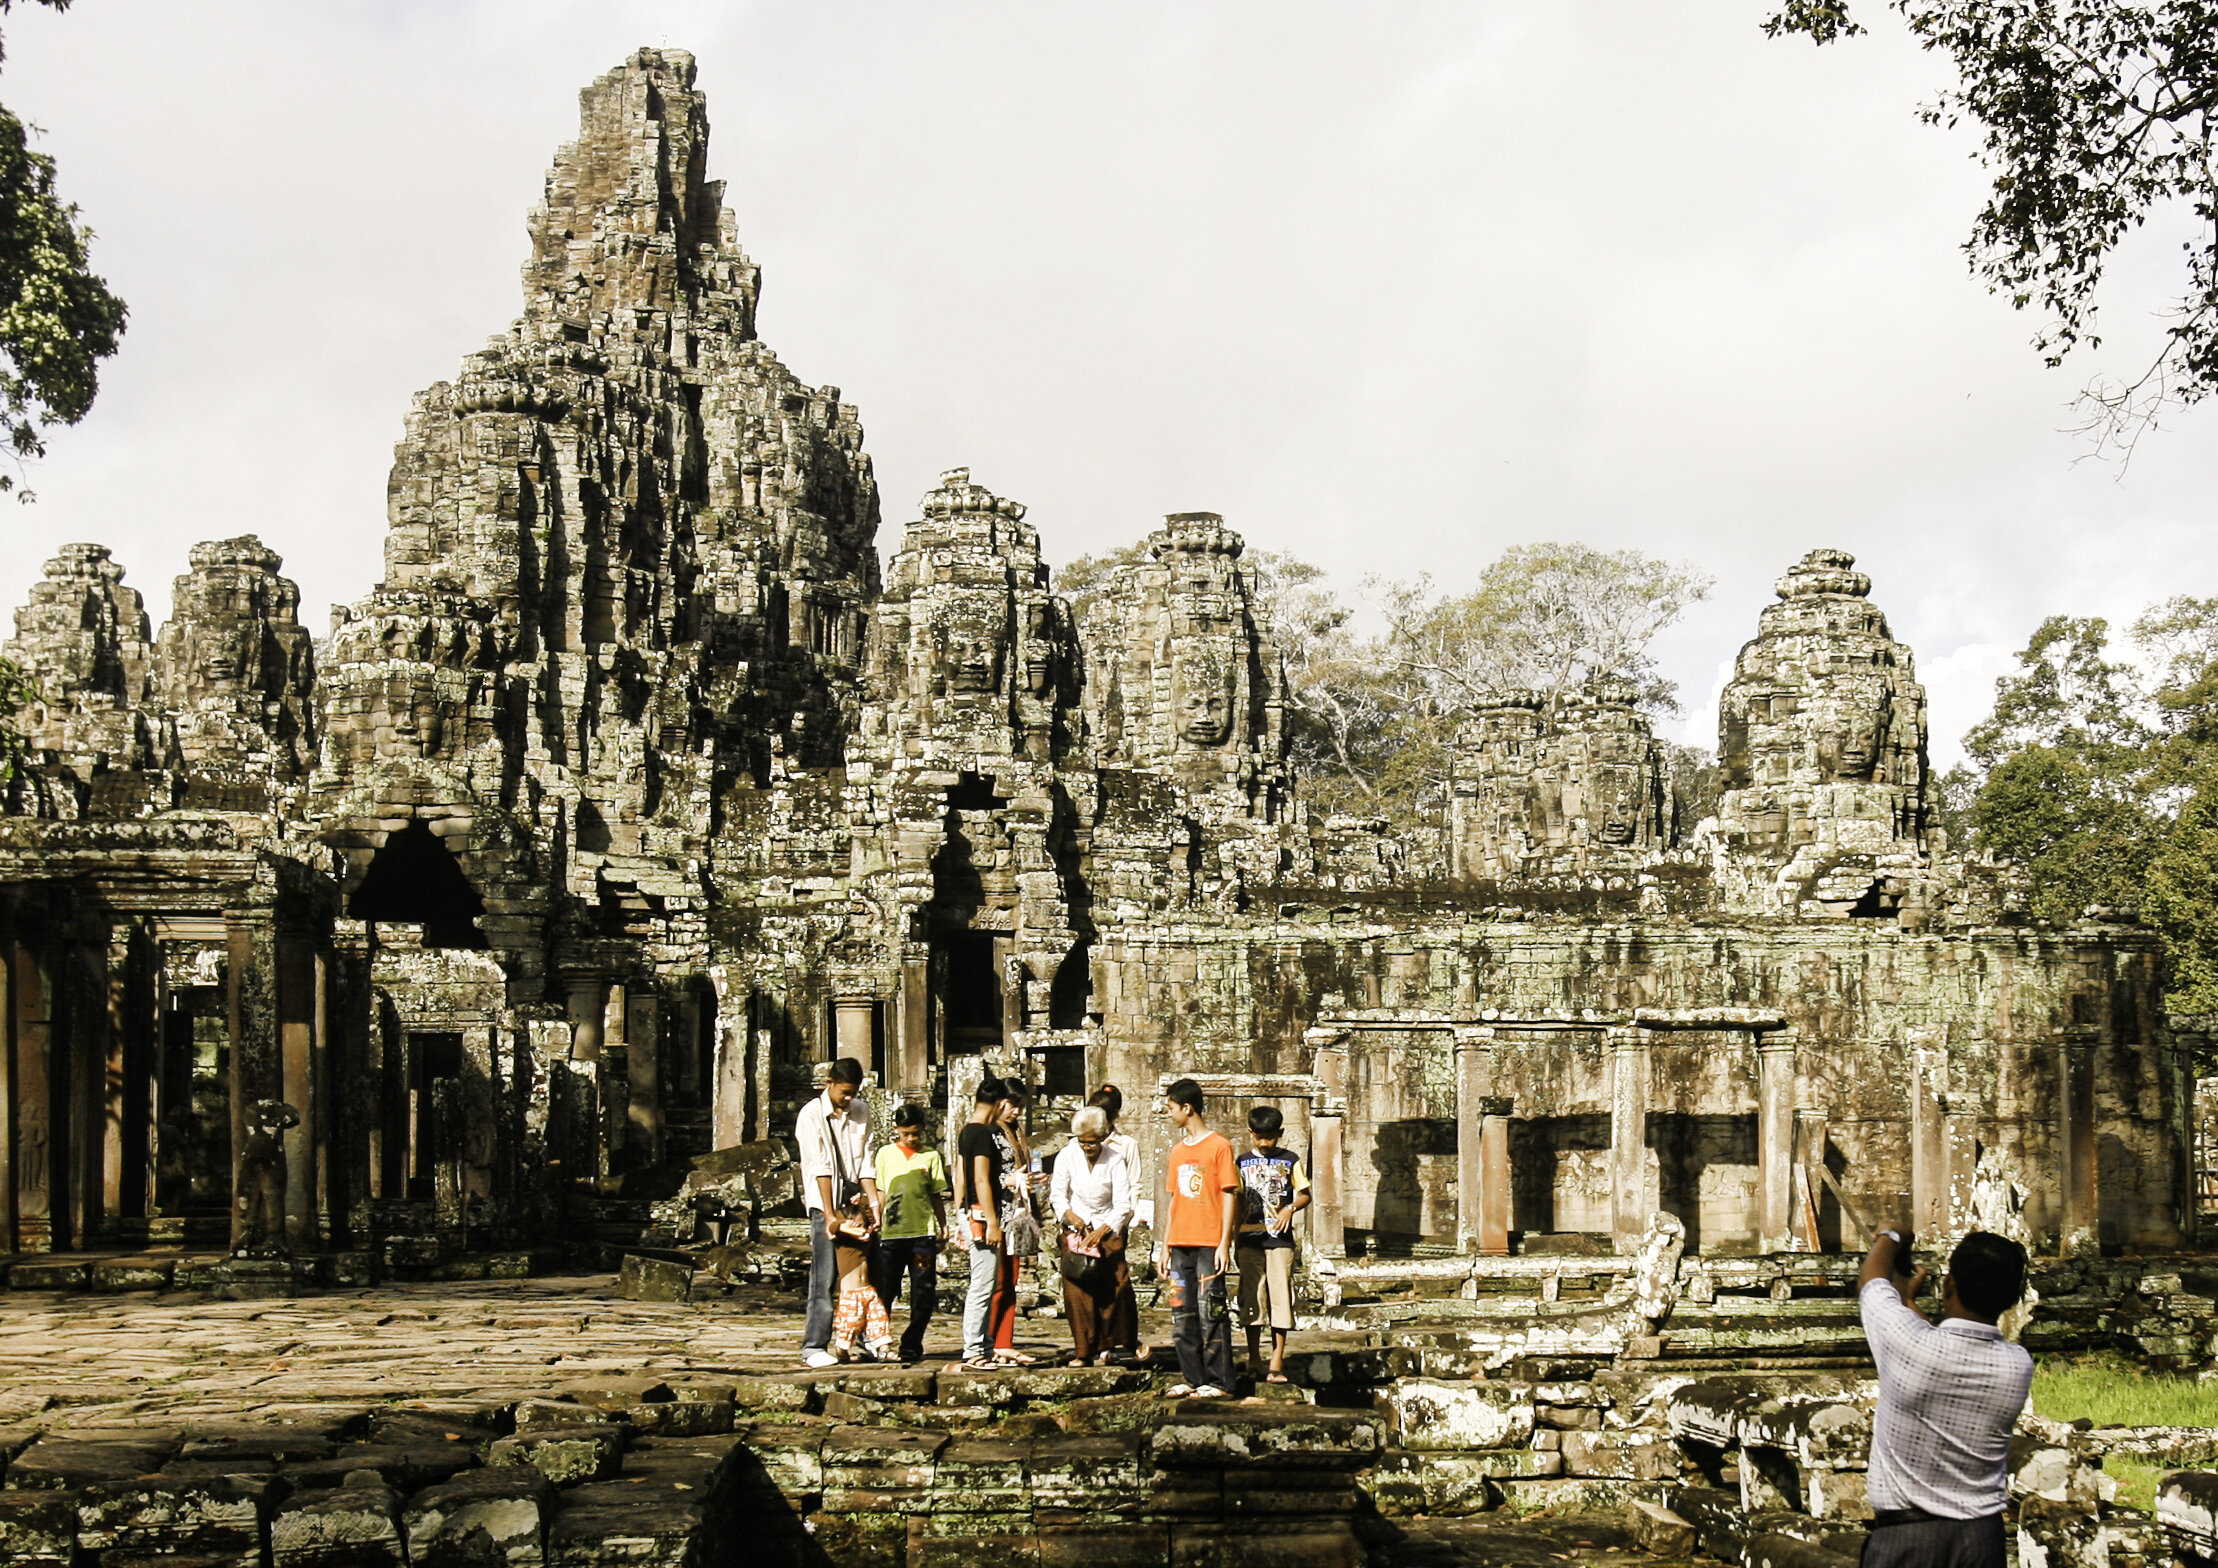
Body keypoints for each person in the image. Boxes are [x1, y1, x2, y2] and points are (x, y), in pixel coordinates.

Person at [1857, 1225, 2033, 1568]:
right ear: (2012, 1299)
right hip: (1982, 1538)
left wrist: (1892, 1235)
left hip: (1907, 1538)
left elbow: (1871, 1282)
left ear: (1949, 1285)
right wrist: (1908, 1303)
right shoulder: (2017, 1365)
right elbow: (1944, 1349)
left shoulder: (1908, 1342)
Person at [1156, 1077, 1239, 1398]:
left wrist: (1224, 1242)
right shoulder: (1177, 1151)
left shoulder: (1220, 1146)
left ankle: (1219, 1382)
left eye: (1170, 1108)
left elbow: (1228, 1195)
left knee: (1212, 1312)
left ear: (1187, 1108)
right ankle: (1194, 1378)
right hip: (1179, 1244)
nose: (1168, 1114)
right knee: (1182, 1314)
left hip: (1208, 1243)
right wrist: (1163, 1246)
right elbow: (1174, 1199)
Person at [794, 1057, 879, 1369]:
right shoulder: (811, 1115)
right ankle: (814, 1345)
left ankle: (858, 1339)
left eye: (852, 1092)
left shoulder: (861, 1111)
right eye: (843, 1092)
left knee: (860, 1275)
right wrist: (829, 1215)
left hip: (855, 1201)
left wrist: (874, 1202)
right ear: (829, 1083)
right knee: (825, 1276)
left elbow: (866, 1160)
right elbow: (821, 1167)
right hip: (824, 1202)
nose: (847, 1098)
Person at [1051, 1104, 1135, 1365]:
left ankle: (1109, 1346)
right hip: (1076, 1230)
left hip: (1106, 1227)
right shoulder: (1066, 1156)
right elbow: (1057, 1194)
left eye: (1093, 1142)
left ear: (1102, 1138)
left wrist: (1103, 1230)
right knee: (1078, 1290)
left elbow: (1123, 1204)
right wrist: (1070, 1216)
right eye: (1083, 1143)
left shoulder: (1114, 1159)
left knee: (1114, 1287)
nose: (1088, 1147)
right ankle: (1083, 1349)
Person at [1235, 1104, 1311, 1384]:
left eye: (1270, 1137)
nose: (1264, 1143)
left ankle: (1276, 1360)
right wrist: (1233, 1237)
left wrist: (1289, 1208)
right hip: (1249, 1237)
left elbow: (1305, 1194)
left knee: (1281, 1298)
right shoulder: (1241, 1162)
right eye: (1259, 1137)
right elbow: (1237, 1202)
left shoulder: (1290, 1160)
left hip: (1280, 1240)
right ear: (1250, 1133)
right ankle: (1255, 1358)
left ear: (1280, 1133)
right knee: (1252, 1298)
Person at [872, 1103, 952, 1364]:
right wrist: (876, 1219)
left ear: (923, 1130)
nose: (911, 1139)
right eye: (906, 1134)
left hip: (922, 1236)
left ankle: (911, 1343)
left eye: (916, 1133)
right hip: (892, 1236)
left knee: (923, 1289)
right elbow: (882, 1191)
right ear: (896, 1130)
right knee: (885, 1289)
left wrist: (943, 1224)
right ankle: (880, 1341)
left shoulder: (930, 1156)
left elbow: (935, 1195)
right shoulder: (885, 1154)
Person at [954, 1075, 1013, 1371]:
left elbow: (960, 1177)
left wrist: (957, 1210)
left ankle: (983, 1345)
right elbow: (979, 1177)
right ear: (1000, 1103)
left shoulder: (967, 1131)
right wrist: (992, 1221)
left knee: (986, 1281)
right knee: (983, 1282)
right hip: (981, 1212)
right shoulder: (981, 1134)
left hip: (969, 1209)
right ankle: (973, 1348)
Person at [1091, 1083, 1151, 1364]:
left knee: (1117, 1282)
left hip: (1114, 1223)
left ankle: (1121, 1338)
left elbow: (1134, 1186)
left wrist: (1121, 1221)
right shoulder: (1080, 1143)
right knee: (1088, 1282)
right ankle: (1096, 1342)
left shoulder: (1126, 1145)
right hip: (1085, 1223)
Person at [827, 1197, 894, 1362]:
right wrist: (848, 1228)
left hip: (868, 1291)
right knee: (848, 1326)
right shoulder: (842, 1240)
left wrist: (863, 1200)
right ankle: (841, 1352)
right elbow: (832, 1226)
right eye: (856, 1226)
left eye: (862, 1225)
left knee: (879, 1320)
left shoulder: (866, 1240)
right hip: (851, 1294)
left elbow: (873, 1214)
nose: (861, 1229)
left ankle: (884, 1351)